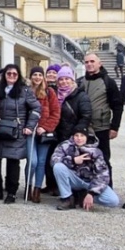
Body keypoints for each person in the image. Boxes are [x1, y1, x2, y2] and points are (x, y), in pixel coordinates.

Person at [0, 65, 42, 204]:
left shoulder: (25, 90)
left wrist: (30, 126)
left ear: (18, 76)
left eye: (14, 74)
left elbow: (36, 108)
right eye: (9, 73)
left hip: (16, 130)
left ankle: (11, 192)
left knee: (13, 162)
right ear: (4, 75)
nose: (11, 76)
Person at [79, 53, 124, 186]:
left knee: (103, 159)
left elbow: (117, 106)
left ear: (100, 63)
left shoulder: (108, 82)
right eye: (86, 62)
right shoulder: (80, 81)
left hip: (101, 127)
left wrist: (115, 127)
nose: (89, 64)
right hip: (83, 128)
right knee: (83, 158)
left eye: (92, 61)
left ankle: (106, 187)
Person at [51, 127, 119, 210]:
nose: (79, 138)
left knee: (113, 201)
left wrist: (92, 193)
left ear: (87, 137)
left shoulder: (96, 151)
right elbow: (54, 160)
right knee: (58, 167)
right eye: (76, 135)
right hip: (74, 178)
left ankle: (83, 197)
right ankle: (67, 198)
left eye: (82, 136)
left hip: (90, 182)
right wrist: (73, 160)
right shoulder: (65, 145)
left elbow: (103, 175)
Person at [51, 66, 92, 199]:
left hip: (74, 135)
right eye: (61, 79)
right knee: (59, 162)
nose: (64, 82)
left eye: (67, 79)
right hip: (58, 134)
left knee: (76, 163)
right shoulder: (54, 94)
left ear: (72, 80)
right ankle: (61, 189)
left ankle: (78, 191)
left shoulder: (80, 95)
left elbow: (86, 116)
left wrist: (77, 135)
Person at [26, 67, 60, 204]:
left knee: (41, 162)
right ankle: (28, 185)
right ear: (31, 76)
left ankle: (37, 189)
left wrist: (45, 127)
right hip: (30, 132)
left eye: (40, 74)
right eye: (35, 74)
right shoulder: (26, 91)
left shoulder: (49, 92)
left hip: (44, 132)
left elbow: (55, 113)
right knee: (32, 161)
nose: (37, 77)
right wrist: (28, 126)